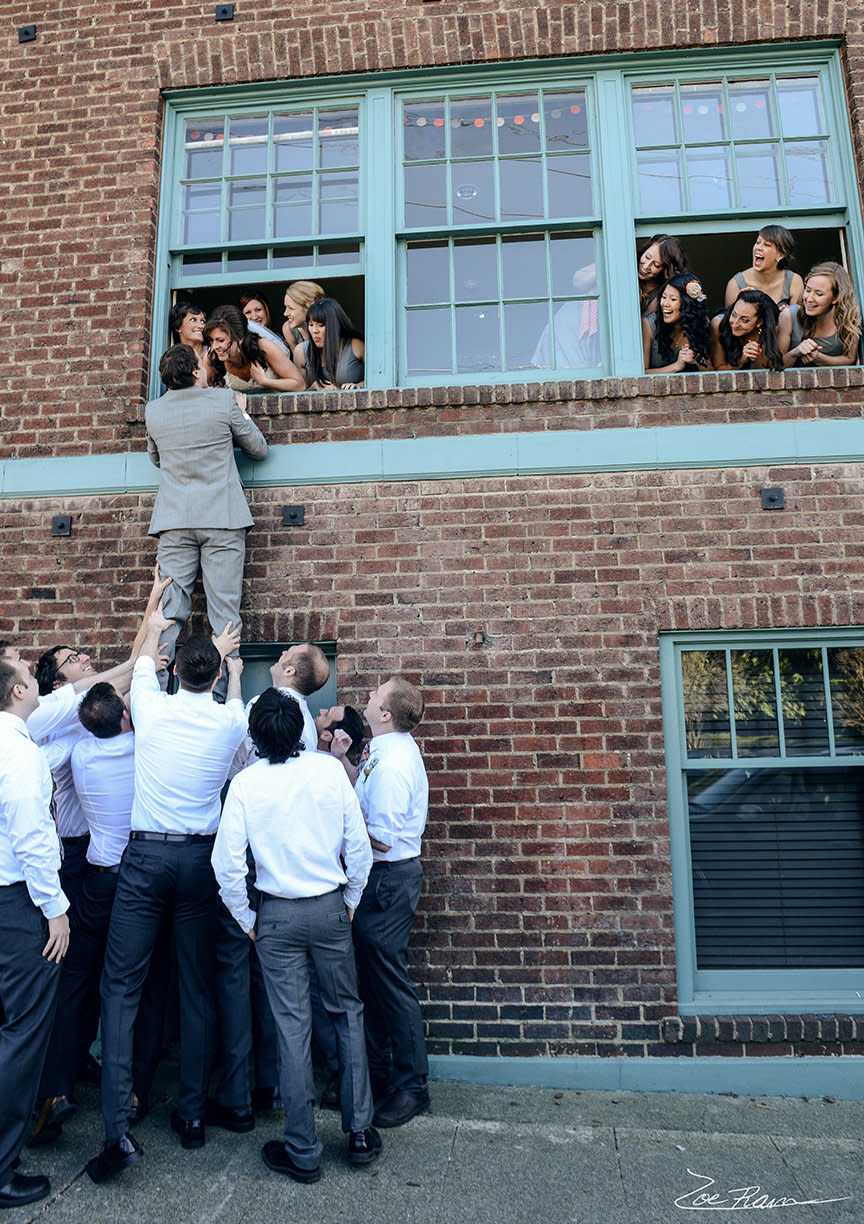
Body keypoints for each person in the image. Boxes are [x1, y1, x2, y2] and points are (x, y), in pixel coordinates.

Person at [86, 613, 246, 1183]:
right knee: (196, 986)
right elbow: (232, 695)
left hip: (147, 857)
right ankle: (193, 1114)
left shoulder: (153, 704)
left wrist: (157, 622)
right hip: (199, 861)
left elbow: (146, 661)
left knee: (120, 986)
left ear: (176, 670)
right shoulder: (231, 720)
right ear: (218, 675)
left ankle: (116, 1128)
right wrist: (228, 658)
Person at [212, 688, 379, 1183]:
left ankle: (303, 1148)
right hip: (329, 908)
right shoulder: (329, 771)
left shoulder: (244, 784)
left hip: (277, 916)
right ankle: (361, 1132)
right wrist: (349, 901)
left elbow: (225, 867)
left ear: (256, 736)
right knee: (347, 1014)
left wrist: (248, 920)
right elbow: (360, 847)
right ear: (301, 730)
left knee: (292, 1027)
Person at [33, 683, 168, 1143]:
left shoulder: (79, 752)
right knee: (143, 983)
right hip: (138, 875)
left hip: (96, 877)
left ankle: (58, 1088)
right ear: (126, 719)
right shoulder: (143, 744)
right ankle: (134, 1090)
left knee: (75, 981)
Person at [145, 342, 268, 682]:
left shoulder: (153, 411)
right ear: (196, 372)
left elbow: (156, 460)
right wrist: (241, 413)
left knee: (167, 613)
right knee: (225, 615)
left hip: (174, 520)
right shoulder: (222, 400)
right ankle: (221, 696)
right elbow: (258, 449)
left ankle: (153, 691)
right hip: (223, 519)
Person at [0, 657, 70, 1209]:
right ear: (20, 689)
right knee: (22, 1033)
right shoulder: (19, 754)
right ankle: (2, 1169)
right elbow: (33, 837)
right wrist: (55, 909)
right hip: (18, 903)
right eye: (27, 668)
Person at [352, 677, 430, 1129]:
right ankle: (379, 1074)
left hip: (387, 880)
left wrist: (331, 822)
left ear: (386, 714)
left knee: (390, 981)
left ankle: (412, 1086)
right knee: (373, 980)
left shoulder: (394, 764)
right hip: (377, 880)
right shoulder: (381, 750)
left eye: (374, 696)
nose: (367, 697)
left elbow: (379, 837)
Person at [205, 305, 305, 393]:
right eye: (211, 340)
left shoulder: (264, 347)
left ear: (240, 338)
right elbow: (197, 390)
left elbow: (299, 385)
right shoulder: (212, 356)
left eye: (220, 340)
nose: (214, 347)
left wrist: (265, 381)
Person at [782, 261, 862, 368]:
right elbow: (776, 365)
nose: (809, 299)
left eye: (819, 294)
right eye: (808, 290)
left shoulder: (849, 318)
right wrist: (796, 352)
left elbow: (849, 359)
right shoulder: (789, 315)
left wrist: (818, 357)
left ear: (836, 297)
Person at [643, 274, 712, 373]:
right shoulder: (649, 324)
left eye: (673, 299)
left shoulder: (701, 324)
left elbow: (710, 371)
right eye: (664, 297)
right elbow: (642, 373)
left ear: (687, 304)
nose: (665, 304)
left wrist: (696, 360)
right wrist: (677, 366)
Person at [724, 226, 804, 312]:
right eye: (758, 242)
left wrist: (784, 317)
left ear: (780, 255)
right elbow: (730, 322)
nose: (758, 247)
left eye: (767, 245)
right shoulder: (736, 284)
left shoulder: (794, 281)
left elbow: (797, 321)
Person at [294, 298, 365, 390]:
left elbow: (380, 377)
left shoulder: (356, 345)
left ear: (335, 326)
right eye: (311, 325)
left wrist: (359, 386)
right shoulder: (301, 352)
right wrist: (314, 387)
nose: (314, 331)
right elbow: (299, 396)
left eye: (321, 325)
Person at [710, 289, 784, 371]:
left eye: (744, 320)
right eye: (734, 315)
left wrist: (755, 358)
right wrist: (742, 359)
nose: (735, 324)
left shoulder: (766, 330)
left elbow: (765, 373)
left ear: (759, 322)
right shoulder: (719, 324)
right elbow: (719, 369)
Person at [637, 234, 690, 317]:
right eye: (647, 257)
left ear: (665, 270)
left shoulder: (659, 298)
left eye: (656, 265)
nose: (646, 266)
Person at [239, 291, 293, 357]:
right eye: (248, 312)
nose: (254, 317)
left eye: (258, 310)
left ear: (266, 311)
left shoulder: (280, 339)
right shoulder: (241, 345)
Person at [282, 280, 325, 351]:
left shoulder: (328, 326)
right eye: (286, 307)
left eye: (291, 308)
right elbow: (298, 361)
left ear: (308, 307)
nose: (285, 313)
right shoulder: (288, 329)